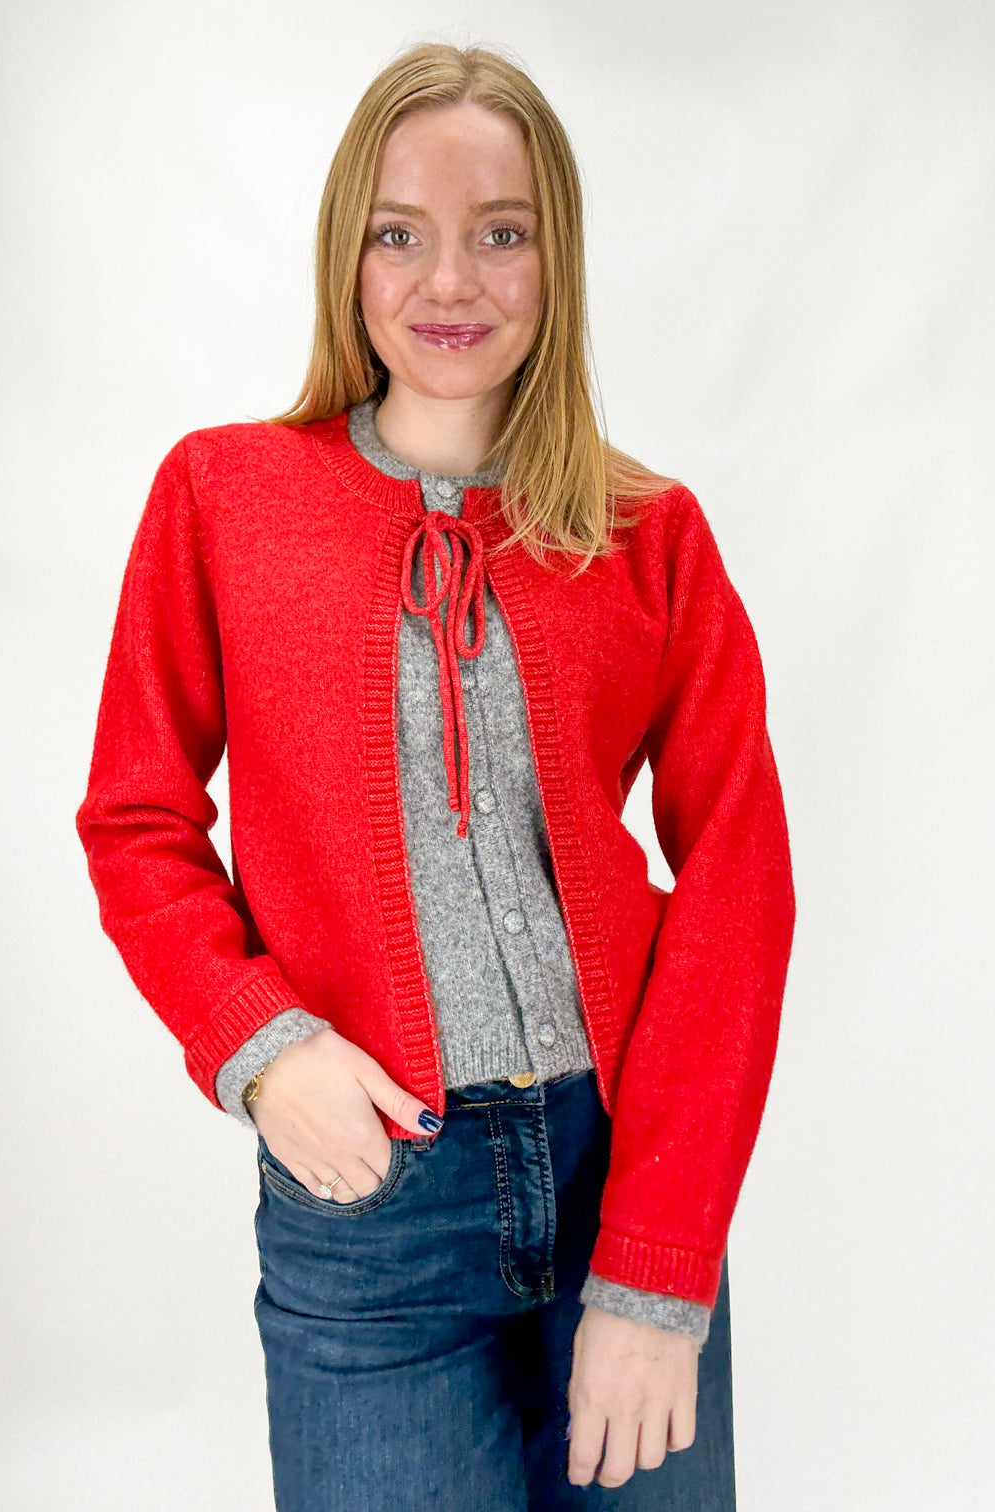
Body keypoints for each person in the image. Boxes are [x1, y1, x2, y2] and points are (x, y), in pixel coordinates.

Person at [75, 40, 795, 1512]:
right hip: (373, 1206)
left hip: (627, 1165)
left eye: (501, 232)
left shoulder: (648, 533)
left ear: (558, 260)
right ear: (349, 253)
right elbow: (136, 818)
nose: (449, 280)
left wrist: (657, 1271)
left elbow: (738, 876)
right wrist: (264, 1046)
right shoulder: (226, 497)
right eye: (401, 233)